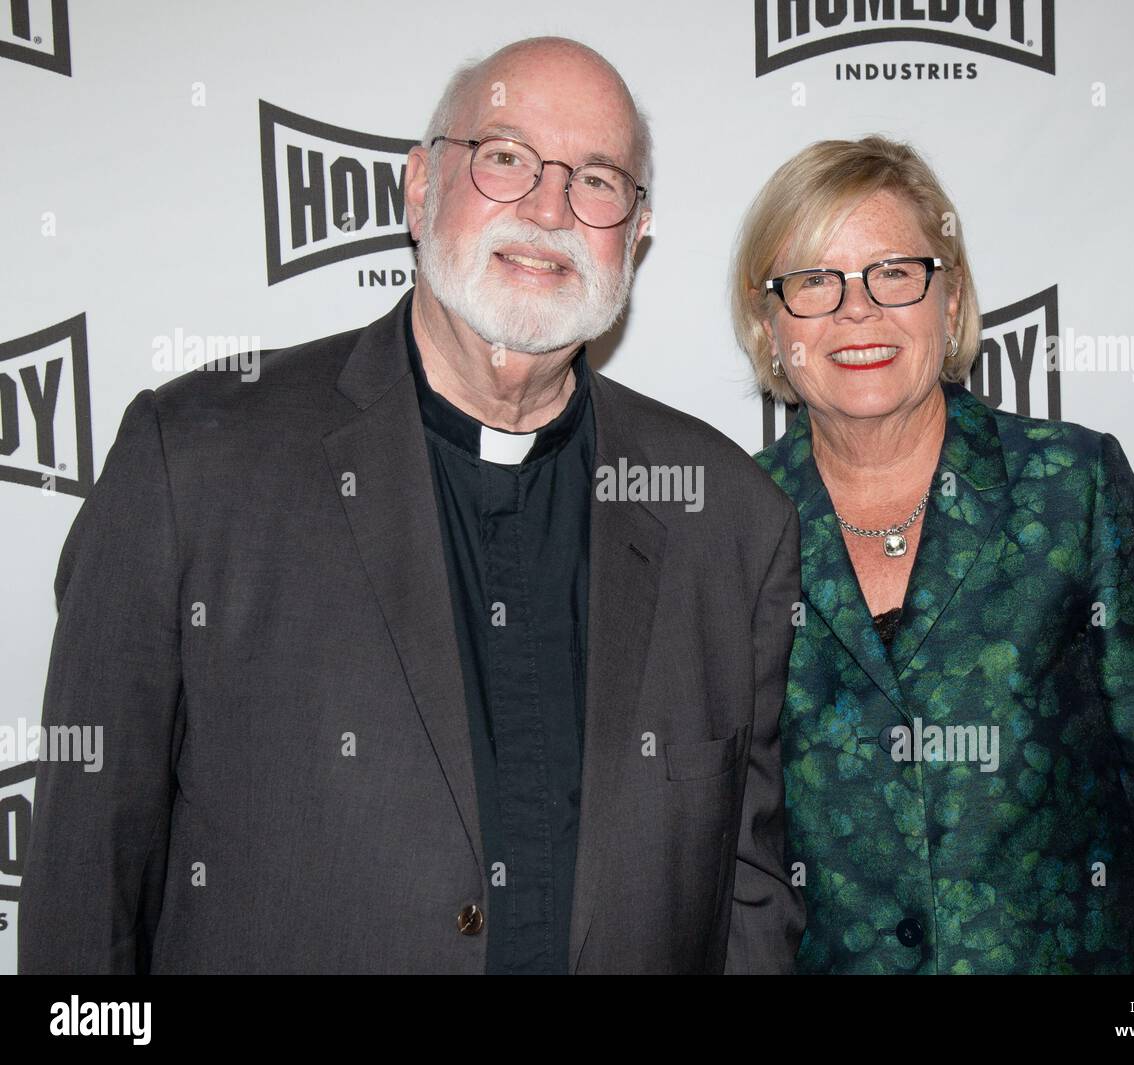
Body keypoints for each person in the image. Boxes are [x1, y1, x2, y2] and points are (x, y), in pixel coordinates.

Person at [19, 36, 803, 974]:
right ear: (419, 186)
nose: (550, 207)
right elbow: (84, 892)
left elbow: (748, 909)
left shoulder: (729, 520)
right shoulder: (191, 464)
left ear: (636, 233)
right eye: (506, 157)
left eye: (598, 180)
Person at [734, 134, 1134, 974]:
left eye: (894, 272)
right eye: (813, 281)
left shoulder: (1071, 489)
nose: (857, 310)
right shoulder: (731, 528)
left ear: (949, 304)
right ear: (770, 326)